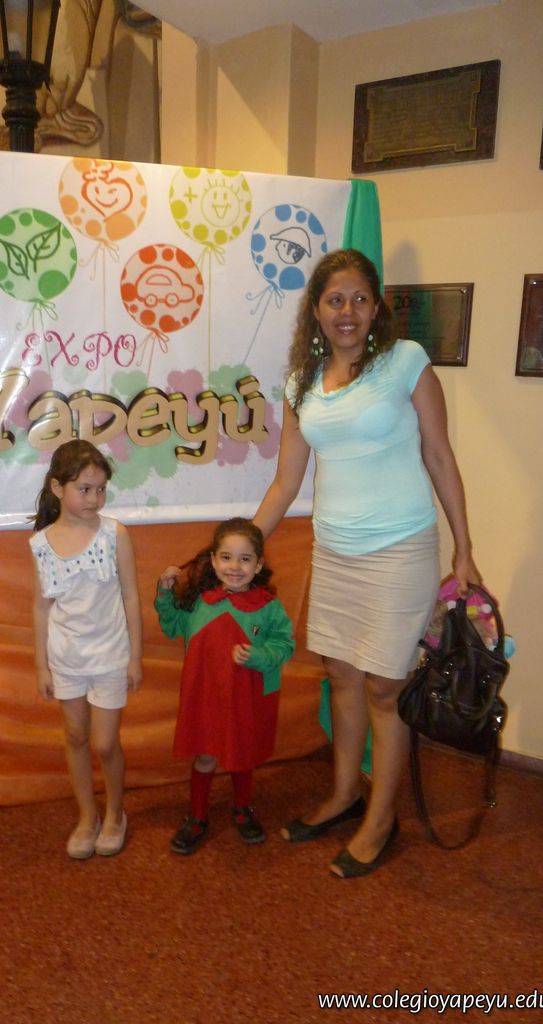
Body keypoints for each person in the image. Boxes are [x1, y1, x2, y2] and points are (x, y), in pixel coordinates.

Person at [253, 248, 482, 878]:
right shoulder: (301, 384)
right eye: (335, 300)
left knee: (385, 686)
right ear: (317, 311)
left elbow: (439, 455)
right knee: (343, 677)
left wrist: (464, 548)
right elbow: (285, 483)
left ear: (376, 306)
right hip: (335, 552)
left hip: (400, 550)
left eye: (359, 298)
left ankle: (382, 819)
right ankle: (344, 795)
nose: (347, 311)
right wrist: (242, 541)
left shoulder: (405, 362)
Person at [31, 439, 142, 859]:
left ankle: (115, 813)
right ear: (57, 488)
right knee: (75, 735)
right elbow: (41, 606)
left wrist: (135, 656)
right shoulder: (41, 544)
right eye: (84, 489)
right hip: (66, 659)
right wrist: (42, 666)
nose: (94, 498)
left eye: (101, 489)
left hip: (110, 655)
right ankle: (87, 816)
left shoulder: (115, 535)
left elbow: (131, 595)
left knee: (105, 743)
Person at [156, 518, 294, 855]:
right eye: (227, 557)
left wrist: (259, 656)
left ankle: (242, 808)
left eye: (245, 559)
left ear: (258, 565)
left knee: (242, 756)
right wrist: (165, 593)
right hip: (205, 698)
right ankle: (197, 816)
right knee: (205, 756)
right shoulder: (199, 603)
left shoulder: (268, 607)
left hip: (246, 698)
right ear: (214, 561)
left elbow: (284, 644)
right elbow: (172, 625)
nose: (235, 567)